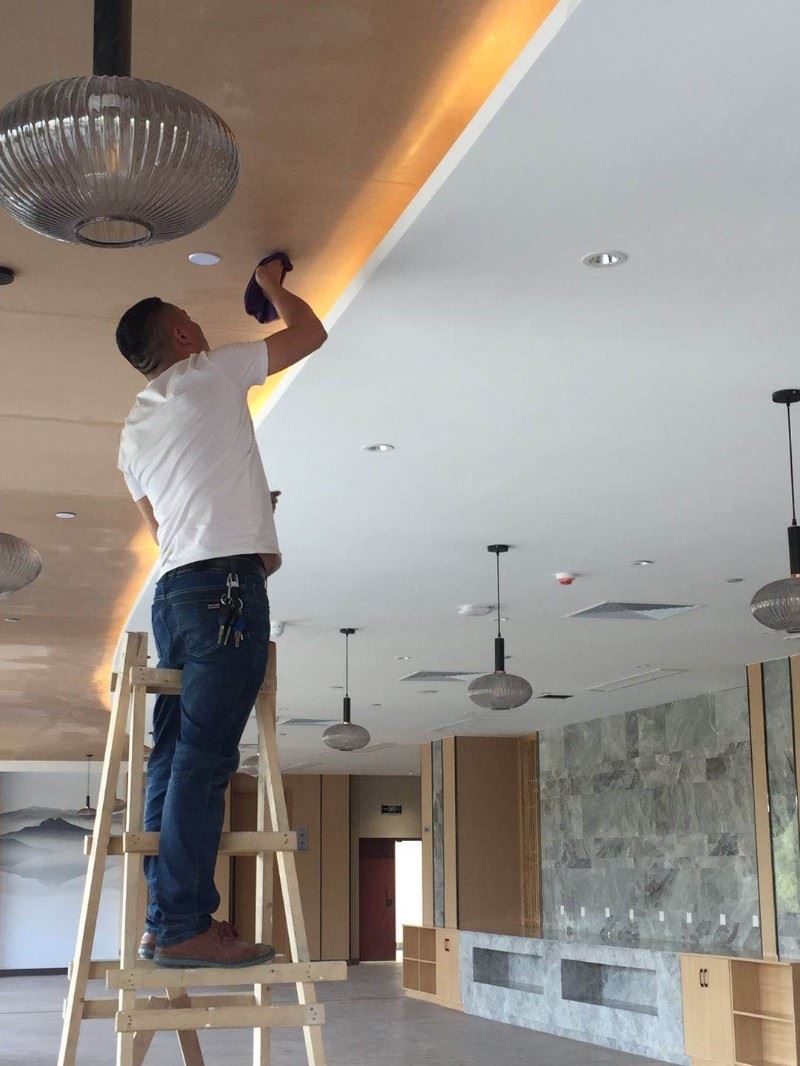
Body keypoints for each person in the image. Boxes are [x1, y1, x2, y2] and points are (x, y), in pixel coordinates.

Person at [115, 259, 326, 968]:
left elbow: (161, 529)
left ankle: (164, 922)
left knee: (175, 758)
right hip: (224, 592)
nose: (201, 328)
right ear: (181, 335)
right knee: (202, 763)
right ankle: (181, 926)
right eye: (193, 322)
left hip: (176, 594)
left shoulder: (133, 432)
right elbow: (310, 335)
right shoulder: (209, 371)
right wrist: (273, 286)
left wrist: (240, 511)